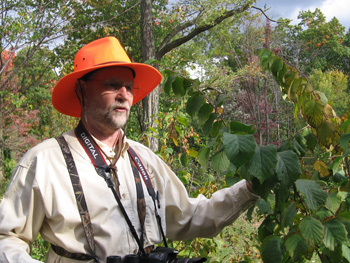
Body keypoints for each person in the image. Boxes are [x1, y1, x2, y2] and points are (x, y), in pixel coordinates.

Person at [0, 36, 259, 263]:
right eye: (112, 85)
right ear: (82, 89)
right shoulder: (46, 161)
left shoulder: (143, 159)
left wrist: (249, 188)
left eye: (129, 87)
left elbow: (189, 216)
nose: (124, 94)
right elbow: (6, 238)